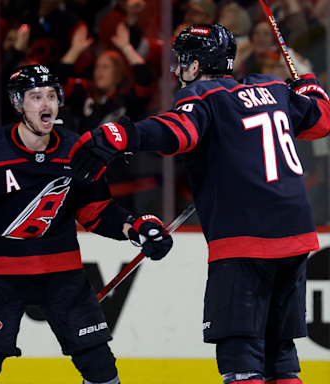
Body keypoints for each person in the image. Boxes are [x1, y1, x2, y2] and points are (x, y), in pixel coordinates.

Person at [68, 24, 330, 384]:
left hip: (245, 241)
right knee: (279, 355)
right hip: (297, 236)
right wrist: (310, 85)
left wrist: (122, 134)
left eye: (182, 61)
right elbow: (321, 119)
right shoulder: (272, 88)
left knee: (241, 357)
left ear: (198, 63)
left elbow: (179, 132)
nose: (177, 70)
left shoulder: (203, 95)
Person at [0, 64, 173, 384]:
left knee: (101, 369)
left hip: (62, 276)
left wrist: (137, 227)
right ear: (19, 104)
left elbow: (96, 211)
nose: (46, 104)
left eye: (51, 95)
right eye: (35, 97)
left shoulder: (78, 151)